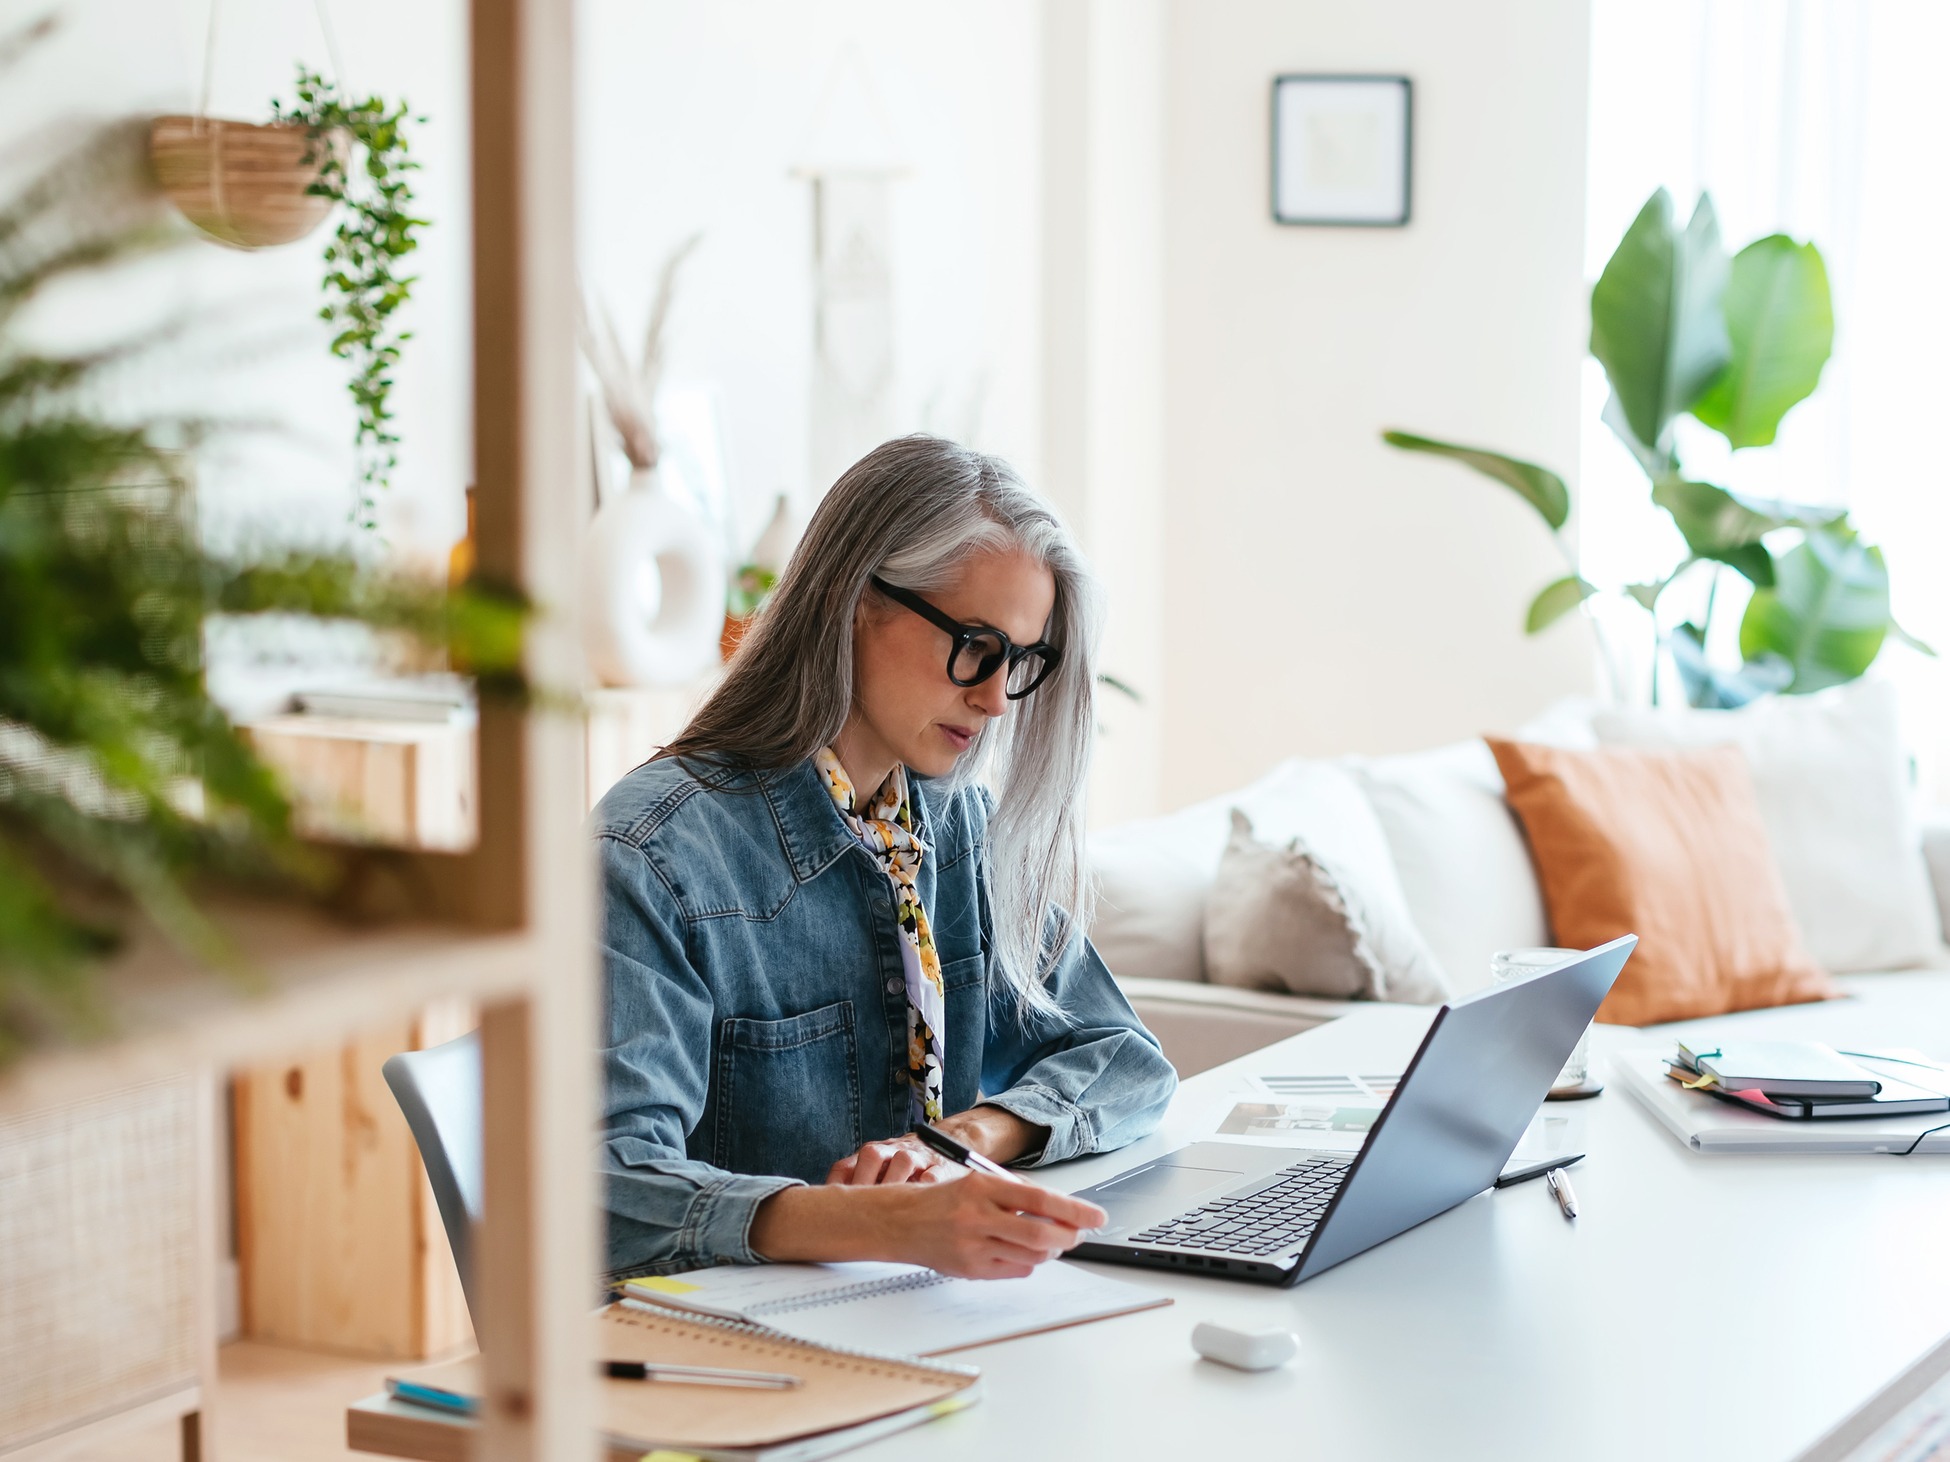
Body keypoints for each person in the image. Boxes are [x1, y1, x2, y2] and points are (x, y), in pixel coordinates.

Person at [595, 434, 1177, 1282]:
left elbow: (1124, 1058)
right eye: (976, 646)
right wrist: (875, 1220)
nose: (994, 699)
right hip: (728, 1355)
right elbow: (606, 1189)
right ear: (855, 600)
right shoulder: (653, 857)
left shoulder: (958, 831)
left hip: (909, 1316)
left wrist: (966, 1139)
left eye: (1020, 663)